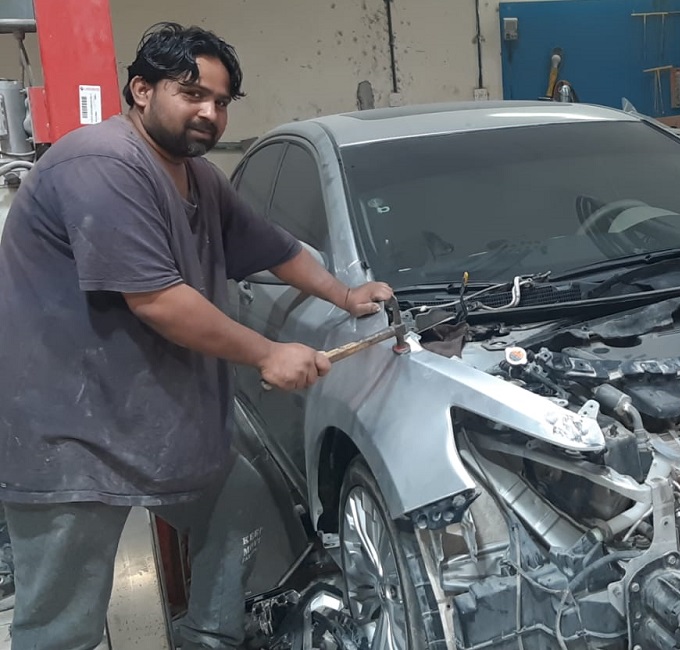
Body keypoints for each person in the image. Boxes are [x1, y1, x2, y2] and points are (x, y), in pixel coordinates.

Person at [0, 22, 393, 650]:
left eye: (221, 101)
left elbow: (275, 248)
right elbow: (157, 301)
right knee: (62, 626)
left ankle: (209, 637)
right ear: (141, 90)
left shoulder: (198, 177)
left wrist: (346, 296)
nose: (210, 112)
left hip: (153, 423)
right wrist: (269, 352)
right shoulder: (103, 163)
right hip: (71, 438)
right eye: (192, 94)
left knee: (238, 505)